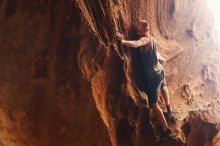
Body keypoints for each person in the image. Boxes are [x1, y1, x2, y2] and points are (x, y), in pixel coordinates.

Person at [116, 20, 172, 139]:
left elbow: (136, 43)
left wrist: (122, 41)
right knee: (163, 86)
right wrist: (161, 61)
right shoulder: (153, 39)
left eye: (139, 30)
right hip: (160, 70)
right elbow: (159, 56)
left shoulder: (145, 39)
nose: (137, 32)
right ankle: (169, 110)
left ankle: (166, 129)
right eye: (137, 29)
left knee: (154, 105)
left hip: (153, 77)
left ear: (146, 30)